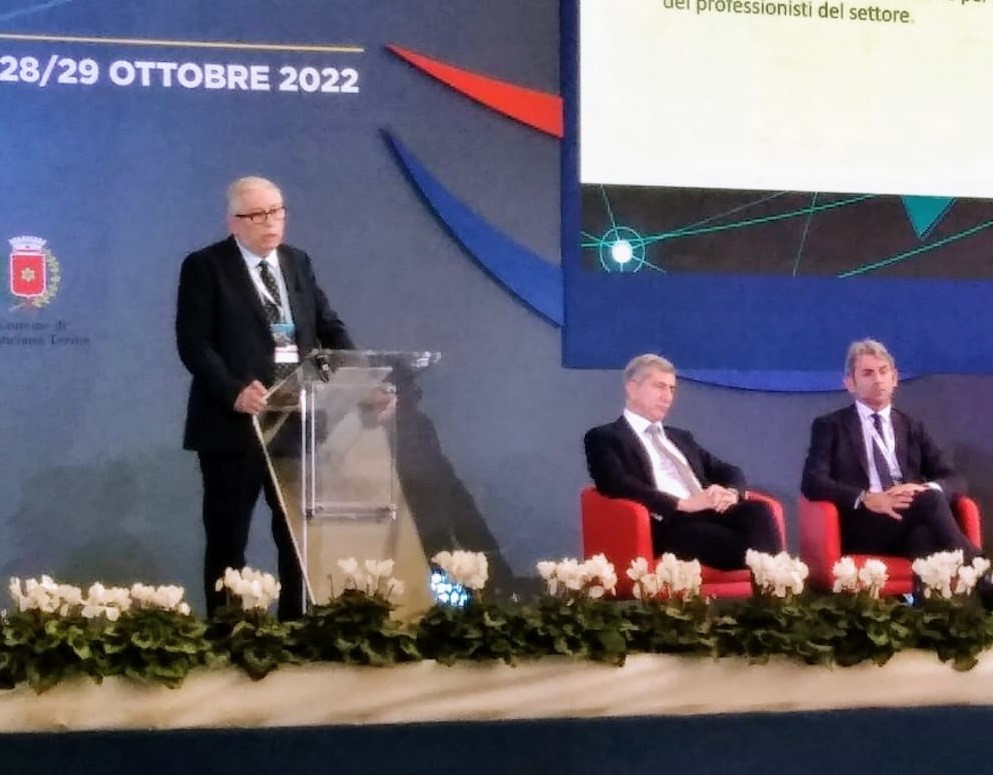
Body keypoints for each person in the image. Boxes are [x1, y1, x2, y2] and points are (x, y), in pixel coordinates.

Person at [176, 176, 354, 619]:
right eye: (257, 216)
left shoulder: (297, 261)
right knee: (228, 541)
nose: (271, 223)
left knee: (296, 539)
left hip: (295, 423)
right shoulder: (205, 267)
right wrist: (233, 390)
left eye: (277, 211)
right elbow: (194, 343)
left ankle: (294, 631)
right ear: (233, 222)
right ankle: (229, 635)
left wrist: (359, 378)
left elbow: (329, 327)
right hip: (234, 427)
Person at [584, 353, 782, 569]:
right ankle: (776, 581)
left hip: (709, 512)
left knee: (758, 511)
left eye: (672, 389)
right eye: (659, 387)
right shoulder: (604, 437)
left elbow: (727, 470)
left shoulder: (680, 437)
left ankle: (773, 581)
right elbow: (616, 483)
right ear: (632, 388)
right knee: (746, 547)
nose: (668, 397)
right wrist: (682, 504)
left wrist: (731, 493)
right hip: (669, 521)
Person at [801, 338, 983, 569]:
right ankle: (982, 571)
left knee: (923, 538)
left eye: (883, 371)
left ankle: (926, 593)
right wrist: (866, 498)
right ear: (850, 383)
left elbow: (955, 479)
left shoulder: (911, 427)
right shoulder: (831, 426)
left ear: (894, 378)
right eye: (867, 373)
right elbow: (813, 482)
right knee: (930, 501)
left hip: (910, 518)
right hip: (864, 525)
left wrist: (925, 488)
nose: (878, 379)